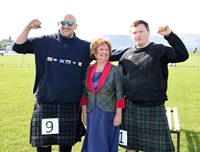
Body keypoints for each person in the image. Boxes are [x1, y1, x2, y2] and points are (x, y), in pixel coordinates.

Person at [12, 14, 93, 152]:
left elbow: (107, 53)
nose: (66, 25)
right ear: (58, 23)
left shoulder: (85, 47)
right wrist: (28, 27)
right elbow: (18, 47)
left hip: (70, 103)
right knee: (43, 144)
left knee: (66, 145)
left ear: (75, 26)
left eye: (69, 23)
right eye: (63, 22)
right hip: (46, 101)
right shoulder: (44, 41)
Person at [110, 20, 189, 152]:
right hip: (130, 108)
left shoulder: (160, 50)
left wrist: (169, 35)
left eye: (141, 31)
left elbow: (182, 55)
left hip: (154, 107)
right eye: (134, 32)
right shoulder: (126, 53)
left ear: (149, 32)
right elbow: (103, 54)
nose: (138, 35)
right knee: (130, 148)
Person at [81, 38, 125, 152]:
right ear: (95, 52)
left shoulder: (116, 70)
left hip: (108, 114)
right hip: (91, 113)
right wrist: (85, 114)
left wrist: (118, 115)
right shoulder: (88, 70)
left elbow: (120, 94)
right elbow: (84, 94)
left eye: (107, 49)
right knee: (92, 143)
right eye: (101, 49)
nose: (104, 52)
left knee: (105, 143)